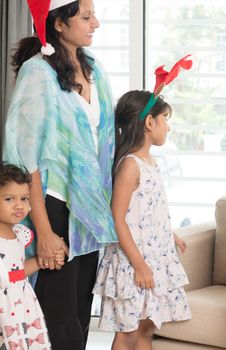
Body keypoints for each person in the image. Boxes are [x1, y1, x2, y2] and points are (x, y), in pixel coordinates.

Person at [3, 0, 116, 348]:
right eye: (86, 16)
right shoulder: (38, 73)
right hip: (53, 205)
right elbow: (27, 158)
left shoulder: (94, 68)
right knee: (57, 317)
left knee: (82, 311)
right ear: (59, 24)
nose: (95, 22)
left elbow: (106, 139)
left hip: (89, 210)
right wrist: (46, 231)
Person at [92, 88, 191, 350]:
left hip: (154, 257)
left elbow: (147, 211)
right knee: (128, 332)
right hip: (132, 261)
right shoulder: (130, 164)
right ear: (150, 122)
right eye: (165, 119)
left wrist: (169, 235)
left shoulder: (150, 162)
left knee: (147, 328)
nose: (168, 127)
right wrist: (139, 265)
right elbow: (118, 218)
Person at [0, 162, 65, 350]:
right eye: (9, 199)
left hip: (20, 303)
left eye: (24, 198)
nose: (19, 205)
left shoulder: (19, 234)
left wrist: (42, 260)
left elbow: (18, 271)